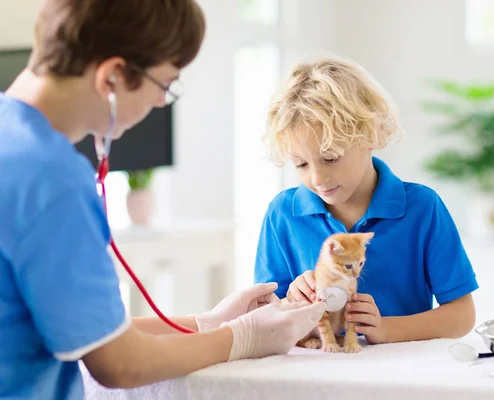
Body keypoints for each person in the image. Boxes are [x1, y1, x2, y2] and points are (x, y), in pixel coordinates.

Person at [0, 1, 325, 399]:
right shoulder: (51, 179)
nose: (159, 104)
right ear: (114, 76)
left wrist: (205, 322)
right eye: (165, 85)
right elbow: (120, 362)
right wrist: (239, 340)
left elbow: (88, 330)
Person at [254, 58, 478, 345]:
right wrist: (289, 300)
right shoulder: (282, 213)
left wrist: (386, 329)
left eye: (331, 158)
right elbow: (263, 313)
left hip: (401, 378)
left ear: (370, 135)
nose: (318, 178)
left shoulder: (423, 208)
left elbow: (461, 316)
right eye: (300, 164)